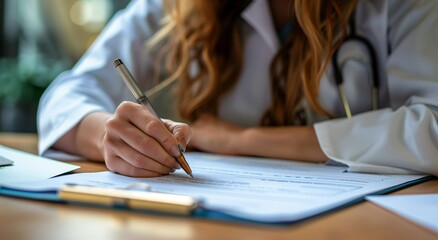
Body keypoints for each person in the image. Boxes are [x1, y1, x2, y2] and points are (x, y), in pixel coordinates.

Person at [38, 0, 438, 177]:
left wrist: (242, 139)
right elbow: (64, 97)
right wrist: (111, 138)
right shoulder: (176, 7)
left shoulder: (401, 6)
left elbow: (432, 126)